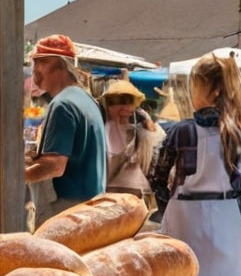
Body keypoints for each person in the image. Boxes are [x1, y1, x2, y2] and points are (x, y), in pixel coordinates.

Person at [150, 52, 241, 276]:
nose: (191, 93)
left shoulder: (182, 132)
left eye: (195, 85)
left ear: (213, 90)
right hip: (226, 221)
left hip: (185, 218)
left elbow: (156, 177)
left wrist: (168, 205)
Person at [24, 34, 106, 229]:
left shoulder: (62, 105)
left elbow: (54, 166)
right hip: (90, 211)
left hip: (66, 216)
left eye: (39, 63)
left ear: (60, 65)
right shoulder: (87, 100)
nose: (34, 70)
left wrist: (15, 177)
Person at [98, 78, 165, 209]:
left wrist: (146, 120)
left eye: (129, 102)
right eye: (118, 102)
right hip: (113, 195)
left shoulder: (138, 129)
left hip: (133, 194)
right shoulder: (104, 129)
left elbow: (155, 142)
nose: (125, 108)